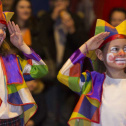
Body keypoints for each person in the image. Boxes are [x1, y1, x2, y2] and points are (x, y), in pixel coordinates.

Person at [57, 18, 126, 126]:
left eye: (125, 48)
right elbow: (63, 75)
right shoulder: (92, 83)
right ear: (100, 55)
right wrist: (86, 47)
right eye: (115, 49)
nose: (122, 53)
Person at [0, 1, 48, 126]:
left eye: (3, 28)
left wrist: (22, 45)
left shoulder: (11, 61)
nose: (1, 32)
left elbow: (42, 69)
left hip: (12, 120)